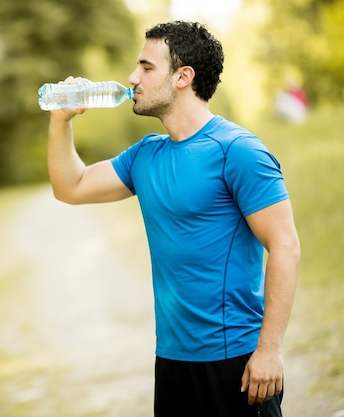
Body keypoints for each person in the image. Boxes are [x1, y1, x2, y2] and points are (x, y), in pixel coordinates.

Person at [46, 21, 300, 417]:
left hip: (234, 358)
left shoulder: (238, 151)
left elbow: (285, 245)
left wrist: (269, 349)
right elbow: (71, 187)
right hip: (172, 361)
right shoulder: (145, 155)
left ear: (183, 77)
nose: (133, 78)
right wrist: (62, 121)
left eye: (147, 67)